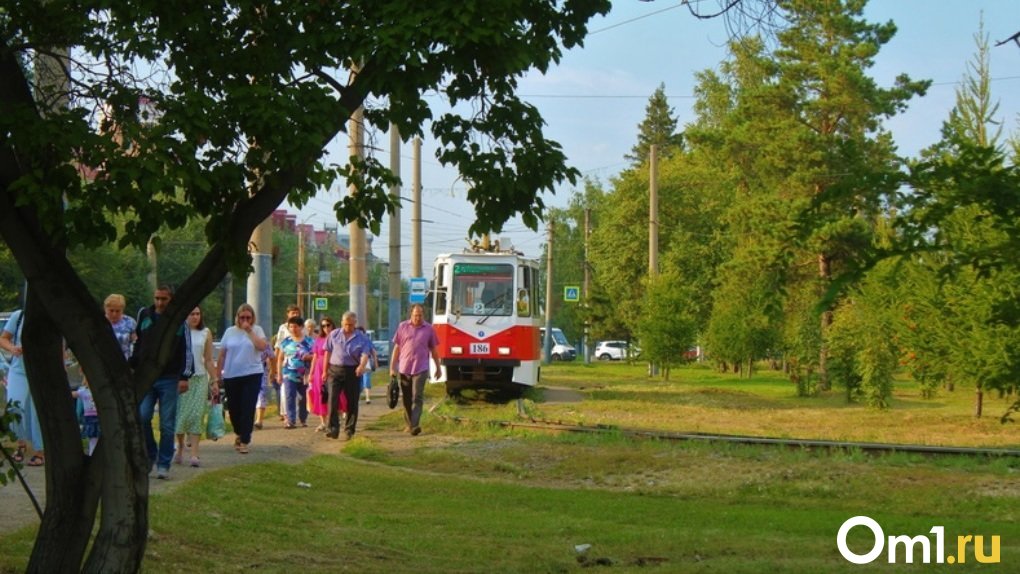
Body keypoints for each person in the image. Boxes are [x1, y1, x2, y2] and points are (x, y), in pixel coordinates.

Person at [133, 285, 194, 479]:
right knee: (142, 417)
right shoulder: (145, 316)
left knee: (167, 424)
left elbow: (187, 350)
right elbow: (138, 343)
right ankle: (151, 453)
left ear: (170, 300)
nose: (159, 303)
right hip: (147, 377)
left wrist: (184, 376)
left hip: (169, 378)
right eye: (157, 298)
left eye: (164, 299)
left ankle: (164, 463)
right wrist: (133, 365)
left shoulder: (178, 322)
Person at [217, 303, 268, 454]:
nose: (245, 320)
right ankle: (238, 433)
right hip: (232, 374)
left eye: (248, 317)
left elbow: (262, 346)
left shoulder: (257, 330)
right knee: (233, 409)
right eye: (242, 317)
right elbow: (222, 355)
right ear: (237, 317)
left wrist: (249, 331)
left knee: (248, 407)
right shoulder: (230, 332)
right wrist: (217, 374)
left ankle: (245, 440)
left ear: (253, 318)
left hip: (252, 373)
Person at [0, 309, 44, 466]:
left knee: (37, 411)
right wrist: (12, 349)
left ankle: (40, 450)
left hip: (41, 370)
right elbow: (3, 338)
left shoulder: (48, 315)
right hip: (18, 369)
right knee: (14, 406)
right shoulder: (19, 316)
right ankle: (20, 444)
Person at [390, 304, 441, 436]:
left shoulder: (429, 329)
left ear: (423, 315)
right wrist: (392, 368)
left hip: (421, 367)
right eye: (415, 315)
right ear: (411, 315)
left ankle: (415, 425)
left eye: (420, 315)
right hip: (404, 368)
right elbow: (396, 349)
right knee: (406, 398)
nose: (418, 318)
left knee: (417, 396)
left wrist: (438, 368)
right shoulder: (402, 327)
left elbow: (434, 350)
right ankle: (409, 424)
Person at [174, 307, 216, 467]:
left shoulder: (205, 332)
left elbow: (208, 359)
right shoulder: (178, 333)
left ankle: (194, 453)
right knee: (180, 415)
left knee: (197, 415)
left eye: (198, 314)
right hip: (181, 379)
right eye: (191, 314)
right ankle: (179, 447)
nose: (195, 317)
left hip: (199, 378)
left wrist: (214, 380)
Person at [324, 311, 371, 441]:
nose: (348, 327)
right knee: (332, 399)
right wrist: (324, 370)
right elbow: (327, 353)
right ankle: (332, 428)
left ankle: (349, 429)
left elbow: (365, 354)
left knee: (352, 401)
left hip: (353, 371)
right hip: (334, 370)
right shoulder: (334, 334)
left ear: (355, 323)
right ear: (341, 323)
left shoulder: (362, 337)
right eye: (345, 324)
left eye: (350, 325)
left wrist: (361, 366)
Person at [276, 316, 313, 429]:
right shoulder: (286, 342)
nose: (293, 329)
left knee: (304, 397)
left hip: (304, 374)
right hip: (289, 373)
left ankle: (303, 418)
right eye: (290, 326)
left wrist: (309, 357)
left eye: (295, 326)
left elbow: (316, 357)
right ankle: (291, 420)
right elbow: (280, 358)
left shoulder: (309, 341)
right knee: (289, 395)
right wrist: (279, 373)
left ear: (301, 327)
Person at [274, 305, 302, 421]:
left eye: (297, 313)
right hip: (286, 364)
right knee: (286, 392)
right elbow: (278, 346)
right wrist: (276, 367)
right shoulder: (283, 328)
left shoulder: (302, 326)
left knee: (300, 394)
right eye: (292, 313)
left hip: (301, 365)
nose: (295, 315)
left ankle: (298, 414)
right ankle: (287, 416)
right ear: (288, 314)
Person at [307, 316, 334, 432]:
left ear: (332, 325)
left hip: (332, 367)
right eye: (323, 326)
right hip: (319, 368)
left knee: (333, 394)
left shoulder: (336, 337)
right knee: (320, 394)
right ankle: (323, 422)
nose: (326, 328)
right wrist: (311, 373)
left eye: (328, 325)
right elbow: (314, 357)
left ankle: (333, 420)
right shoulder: (319, 339)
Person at [104, 293, 137, 360]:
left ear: (122, 310)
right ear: (105, 309)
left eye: (118, 311)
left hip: (125, 361)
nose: (114, 314)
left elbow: (135, 342)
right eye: (111, 310)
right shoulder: (99, 322)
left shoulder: (129, 322)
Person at [73, 377, 100, 456]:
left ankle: (94, 454)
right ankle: (92, 454)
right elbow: (74, 394)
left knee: (97, 438)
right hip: (90, 418)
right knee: (93, 439)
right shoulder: (83, 391)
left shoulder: (99, 391)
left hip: (98, 417)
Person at [357, 326, 377, 404]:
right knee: (359, 382)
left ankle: (367, 398)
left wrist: (375, 361)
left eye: (361, 332)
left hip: (366, 362)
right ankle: (357, 398)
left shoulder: (367, 340)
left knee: (366, 380)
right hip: (357, 363)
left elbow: (373, 351)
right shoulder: (354, 340)